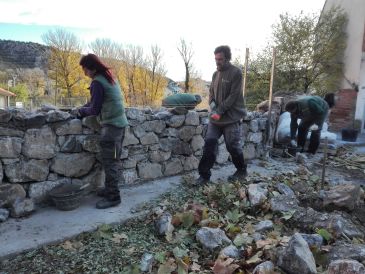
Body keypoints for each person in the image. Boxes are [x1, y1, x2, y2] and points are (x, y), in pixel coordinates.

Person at [73, 53, 128, 209]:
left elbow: (95, 109)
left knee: (110, 162)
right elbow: (93, 101)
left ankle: (113, 197)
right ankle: (109, 190)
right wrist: (83, 107)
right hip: (119, 125)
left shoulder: (98, 82)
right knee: (112, 160)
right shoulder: (108, 78)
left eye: (84, 69)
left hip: (111, 127)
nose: (84, 73)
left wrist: (80, 112)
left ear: (91, 68)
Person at [196, 45, 247, 184]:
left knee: (232, 146)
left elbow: (233, 96)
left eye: (220, 59)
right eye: (216, 59)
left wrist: (219, 111)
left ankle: (242, 170)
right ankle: (204, 176)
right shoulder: (215, 74)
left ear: (227, 58)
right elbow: (211, 92)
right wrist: (213, 106)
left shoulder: (236, 73)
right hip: (216, 118)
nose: (217, 62)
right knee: (209, 143)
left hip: (231, 117)